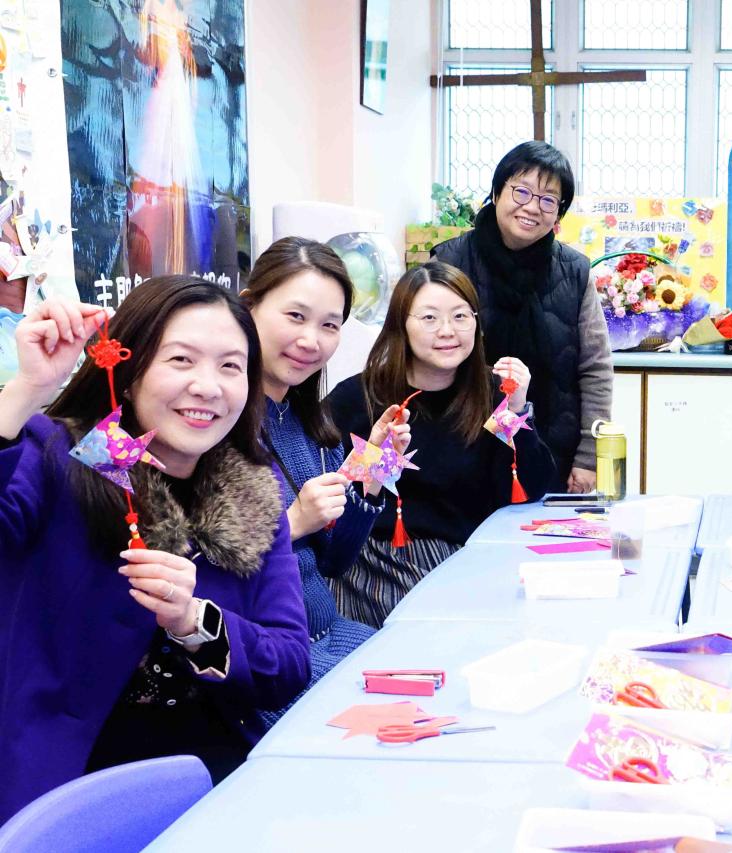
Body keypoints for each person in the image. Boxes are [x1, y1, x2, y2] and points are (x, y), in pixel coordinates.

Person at [0, 278, 310, 821]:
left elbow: (288, 664)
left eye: (231, 366)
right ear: (130, 367)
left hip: (212, 772)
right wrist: (27, 389)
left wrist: (193, 622)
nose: (207, 387)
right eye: (181, 359)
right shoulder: (60, 456)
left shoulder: (253, 494)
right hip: (65, 782)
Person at [326, 261, 557, 627]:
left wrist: (514, 411)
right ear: (401, 324)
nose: (447, 331)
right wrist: (377, 460)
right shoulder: (359, 398)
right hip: (381, 564)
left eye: (460, 316)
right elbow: (340, 499)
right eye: (430, 318)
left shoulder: (492, 393)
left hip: (472, 558)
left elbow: (530, 489)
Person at [242, 237, 406, 723]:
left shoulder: (310, 423)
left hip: (330, 636)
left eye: (329, 325)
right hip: (273, 664)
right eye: (296, 316)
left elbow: (334, 561)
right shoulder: (216, 425)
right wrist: (291, 524)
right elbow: (201, 571)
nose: (311, 340)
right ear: (248, 307)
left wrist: (372, 471)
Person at [433, 140, 611, 494]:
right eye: (522, 191)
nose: (532, 207)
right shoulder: (450, 262)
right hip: (461, 448)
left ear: (558, 214)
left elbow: (595, 369)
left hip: (551, 450)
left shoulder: (575, 272)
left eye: (548, 200)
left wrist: (589, 457)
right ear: (497, 191)